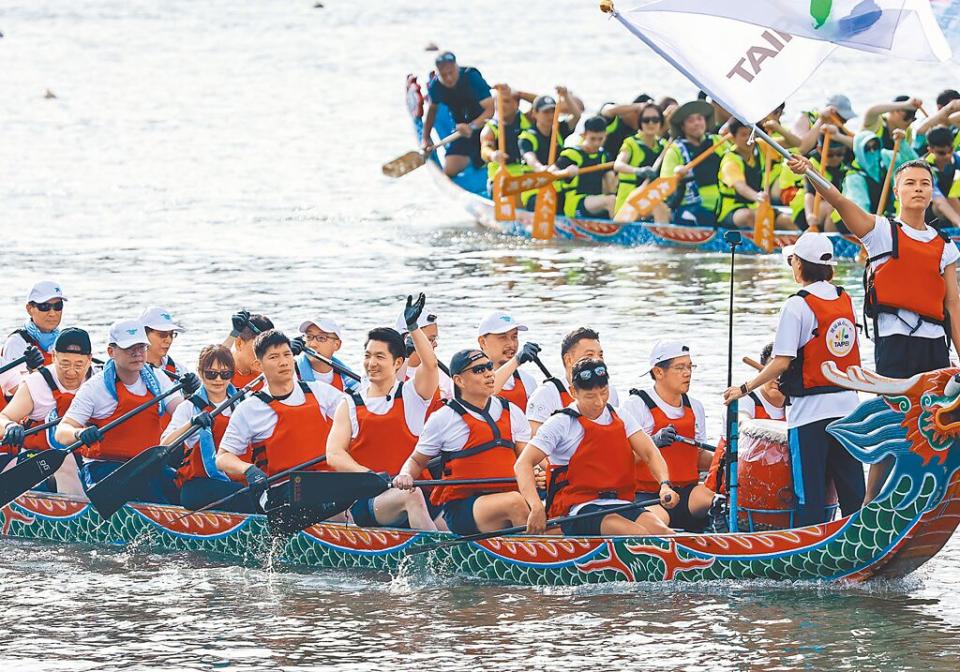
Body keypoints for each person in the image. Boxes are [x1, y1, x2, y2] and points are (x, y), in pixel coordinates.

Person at [788, 153, 960, 501]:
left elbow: (953, 305)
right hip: (896, 341)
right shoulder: (881, 231)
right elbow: (838, 200)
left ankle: (929, 494)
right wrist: (810, 173)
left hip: (934, 344)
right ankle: (871, 501)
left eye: (924, 184)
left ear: (931, 193)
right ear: (897, 190)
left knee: (935, 423)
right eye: (910, 183)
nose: (918, 189)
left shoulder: (945, 245)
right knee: (893, 418)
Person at [723, 232, 865, 526]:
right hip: (849, 410)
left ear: (799, 265)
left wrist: (744, 388)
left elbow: (781, 362)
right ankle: (859, 544)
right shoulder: (845, 298)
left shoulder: (797, 305)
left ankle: (807, 559)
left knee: (807, 496)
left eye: (793, 261)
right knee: (852, 492)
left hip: (810, 414)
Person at [516, 358, 676, 536]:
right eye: (590, 396)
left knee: (665, 534)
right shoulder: (560, 423)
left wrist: (665, 484)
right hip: (578, 509)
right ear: (573, 392)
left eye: (604, 392)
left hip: (621, 503)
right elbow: (523, 464)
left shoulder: (621, 416)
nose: (599, 402)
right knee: (638, 535)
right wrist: (536, 506)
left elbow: (649, 453)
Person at [56, 320, 199, 502]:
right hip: (105, 469)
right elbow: (62, 432)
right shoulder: (95, 388)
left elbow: (182, 411)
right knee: (153, 495)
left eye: (141, 347)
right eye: (129, 348)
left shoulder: (157, 378)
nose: (137, 353)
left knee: (182, 491)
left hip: (148, 465)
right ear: (111, 352)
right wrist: (80, 433)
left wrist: (194, 394)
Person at [393, 349, 531, 535]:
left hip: (508, 496)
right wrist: (405, 475)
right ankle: (533, 558)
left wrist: (539, 473)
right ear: (459, 380)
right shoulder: (443, 419)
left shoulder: (512, 411)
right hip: (464, 508)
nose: (489, 373)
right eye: (479, 370)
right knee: (514, 503)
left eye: (489, 367)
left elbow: (526, 460)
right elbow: (417, 461)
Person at [326, 319, 440, 530]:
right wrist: (367, 474)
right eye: (368, 356)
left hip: (421, 490)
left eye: (380, 357)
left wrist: (413, 327)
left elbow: (430, 365)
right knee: (411, 496)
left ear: (398, 362)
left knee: (446, 522)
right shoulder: (349, 403)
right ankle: (434, 562)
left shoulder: (412, 395)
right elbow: (334, 454)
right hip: (369, 501)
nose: (371, 363)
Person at [215, 330, 345, 513]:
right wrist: (248, 470)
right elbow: (222, 458)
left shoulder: (321, 392)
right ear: (258, 365)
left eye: (287, 354)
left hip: (325, 484)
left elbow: (357, 418)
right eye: (274, 357)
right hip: (279, 493)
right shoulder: (250, 408)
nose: (283, 362)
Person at [621, 341, 714, 531]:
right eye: (680, 368)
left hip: (687, 493)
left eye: (690, 367)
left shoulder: (695, 406)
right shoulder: (636, 405)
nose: (687, 373)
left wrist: (725, 458)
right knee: (660, 519)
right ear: (658, 372)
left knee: (717, 500)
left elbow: (698, 457)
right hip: (647, 495)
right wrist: (653, 442)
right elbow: (620, 459)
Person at [161, 345, 259, 513]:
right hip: (197, 484)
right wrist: (192, 423)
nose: (218, 380)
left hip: (239, 477)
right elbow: (164, 444)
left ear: (232, 374)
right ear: (200, 372)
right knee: (242, 495)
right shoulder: (189, 407)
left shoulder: (245, 402)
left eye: (225, 374)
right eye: (211, 374)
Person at [0, 328, 93, 494]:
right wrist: (8, 426)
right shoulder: (36, 383)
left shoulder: (100, 382)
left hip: (87, 460)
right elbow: (3, 417)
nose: (71, 372)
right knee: (65, 460)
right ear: (54, 357)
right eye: (64, 364)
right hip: (37, 461)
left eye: (78, 365)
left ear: (89, 360)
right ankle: (82, 517)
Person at [525, 327, 620, 435]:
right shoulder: (545, 394)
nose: (597, 360)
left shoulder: (610, 391)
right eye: (589, 355)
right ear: (568, 360)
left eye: (600, 355)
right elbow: (533, 442)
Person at [420, 52, 494, 177]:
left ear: (457, 67)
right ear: (437, 73)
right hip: (461, 133)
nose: (448, 78)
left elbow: (490, 110)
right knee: (449, 171)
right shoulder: (436, 86)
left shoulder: (472, 77)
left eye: (451, 73)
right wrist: (425, 138)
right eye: (444, 75)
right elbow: (432, 111)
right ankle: (471, 159)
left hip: (485, 127)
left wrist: (472, 126)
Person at [659, 100, 726, 226]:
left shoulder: (719, 142)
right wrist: (677, 175)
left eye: (699, 119)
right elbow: (665, 186)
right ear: (682, 126)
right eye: (690, 120)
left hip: (722, 207)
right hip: (690, 208)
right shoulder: (675, 150)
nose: (696, 123)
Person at [716, 119, 791, 230]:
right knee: (750, 216)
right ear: (733, 138)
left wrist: (778, 129)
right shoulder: (729, 161)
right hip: (733, 209)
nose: (749, 139)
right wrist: (757, 196)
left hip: (757, 206)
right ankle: (759, 245)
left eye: (751, 134)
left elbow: (795, 143)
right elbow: (741, 187)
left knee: (787, 220)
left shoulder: (760, 145)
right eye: (743, 135)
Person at [518, 90, 583, 211]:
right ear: (535, 114)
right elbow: (529, 157)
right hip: (534, 190)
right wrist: (540, 168)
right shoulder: (527, 137)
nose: (550, 115)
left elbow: (577, 115)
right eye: (546, 112)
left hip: (556, 188)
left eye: (553, 111)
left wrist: (565, 95)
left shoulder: (559, 131)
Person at [2, 281, 67, 391]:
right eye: (44, 306)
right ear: (29, 309)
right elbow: (13, 392)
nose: (52, 313)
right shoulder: (16, 343)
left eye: (58, 306)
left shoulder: (64, 340)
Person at [553, 116, 616, 219]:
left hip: (595, 203)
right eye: (592, 139)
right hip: (575, 204)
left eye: (600, 139)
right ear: (584, 135)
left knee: (617, 199)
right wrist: (566, 172)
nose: (596, 143)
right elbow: (552, 173)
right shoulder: (572, 154)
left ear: (606, 135)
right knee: (611, 200)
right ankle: (622, 232)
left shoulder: (605, 156)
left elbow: (611, 186)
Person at [843, 130, 917, 216]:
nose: (872, 151)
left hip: (892, 217)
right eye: (867, 149)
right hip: (871, 223)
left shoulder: (885, 157)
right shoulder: (854, 177)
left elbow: (913, 165)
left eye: (875, 147)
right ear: (859, 152)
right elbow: (860, 211)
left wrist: (903, 143)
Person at [613, 102, 668, 218]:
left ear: (661, 122)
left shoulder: (664, 145)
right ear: (640, 123)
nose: (651, 123)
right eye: (646, 120)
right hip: (628, 203)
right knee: (657, 207)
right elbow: (618, 165)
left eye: (655, 119)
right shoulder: (631, 143)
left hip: (651, 198)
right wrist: (638, 171)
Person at [477, 311, 538, 411]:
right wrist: (517, 360)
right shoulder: (468, 378)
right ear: (483, 342)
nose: (511, 344)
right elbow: (482, 395)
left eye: (514, 337)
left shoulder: (528, 381)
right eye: (503, 337)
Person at [479, 84, 536, 185]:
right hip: (501, 177)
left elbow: (541, 101)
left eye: (506, 101)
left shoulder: (527, 119)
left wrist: (519, 94)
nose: (501, 105)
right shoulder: (490, 129)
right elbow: (485, 150)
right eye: (498, 101)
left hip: (525, 174)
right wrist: (493, 155)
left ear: (517, 104)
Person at [802, 124, 852, 232]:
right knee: (834, 208)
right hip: (810, 209)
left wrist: (838, 136)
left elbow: (860, 144)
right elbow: (809, 194)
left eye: (839, 153)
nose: (835, 158)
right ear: (820, 150)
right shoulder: (812, 164)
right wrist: (809, 215)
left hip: (835, 205)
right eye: (830, 154)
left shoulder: (848, 157)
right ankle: (830, 242)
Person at [295, 316, 359, 392]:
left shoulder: (351, 381)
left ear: (337, 345)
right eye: (309, 337)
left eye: (321, 338)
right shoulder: (291, 373)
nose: (312, 344)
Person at [223, 310, 273, 389]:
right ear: (239, 344)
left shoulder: (267, 371)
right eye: (259, 348)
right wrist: (234, 333)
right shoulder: (217, 374)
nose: (265, 356)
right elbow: (213, 360)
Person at [922, 126, 960, 227]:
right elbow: (939, 201)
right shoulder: (924, 168)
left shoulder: (957, 160)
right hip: (932, 211)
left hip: (954, 204)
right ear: (930, 150)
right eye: (942, 153)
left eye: (951, 150)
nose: (948, 155)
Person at [738, 344, 786, 422]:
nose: (779, 378)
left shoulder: (799, 403)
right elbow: (742, 422)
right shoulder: (745, 400)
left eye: (785, 372)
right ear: (761, 373)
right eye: (773, 371)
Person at [598, 94, 653, 158]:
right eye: (645, 118)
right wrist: (641, 105)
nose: (647, 122)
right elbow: (608, 110)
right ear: (635, 111)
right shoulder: (613, 118)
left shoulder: (640, 132)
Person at [140, 306, 186, 379]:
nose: (169, 340)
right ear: (144, 334)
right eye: (162, 334)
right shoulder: (129, 371)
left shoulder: (181, 371)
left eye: (171, 334)